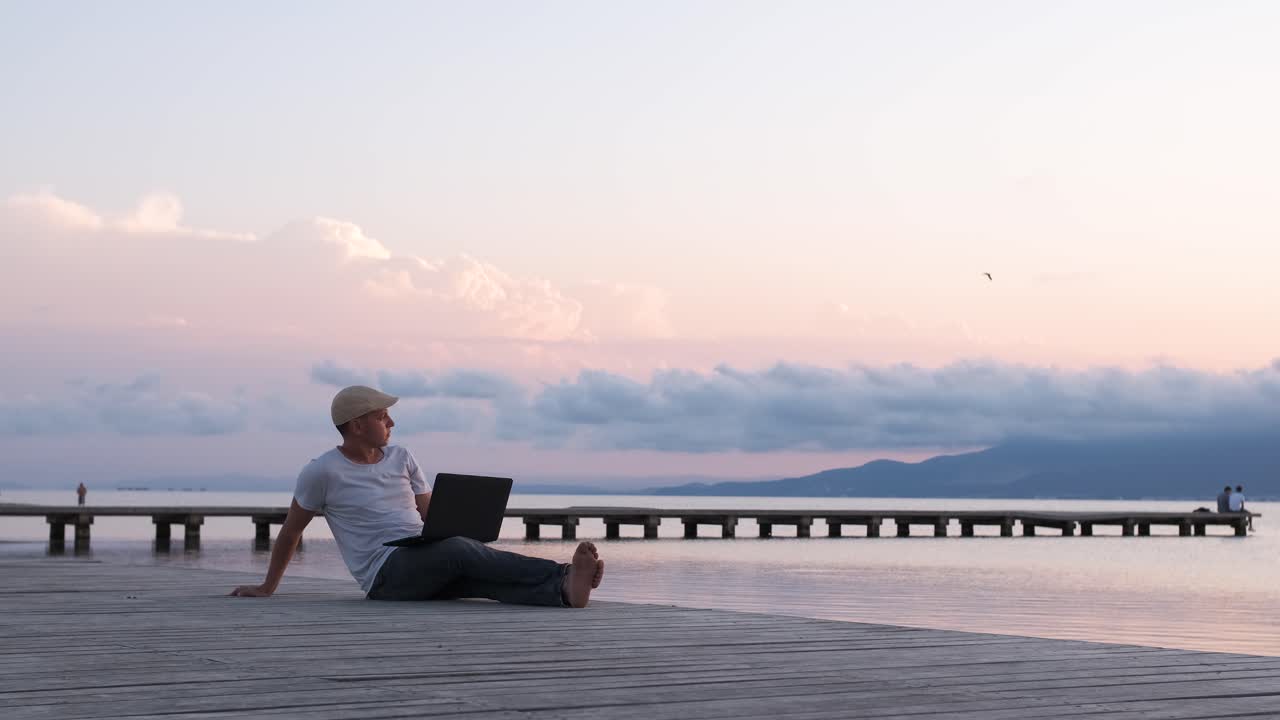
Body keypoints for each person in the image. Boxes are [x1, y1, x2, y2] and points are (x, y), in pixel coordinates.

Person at [230, 385, 604, 607]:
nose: (391, 423)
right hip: (383, 574)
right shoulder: (322, 471)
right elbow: (292, 531)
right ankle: (565, 574)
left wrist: (461, 528)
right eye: (382, 417)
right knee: (458, 552)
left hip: (422, 556)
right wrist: (267, 587)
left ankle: (564, 593)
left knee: (474, 580)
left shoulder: (402, 456)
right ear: (358, 425)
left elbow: (431, 515)